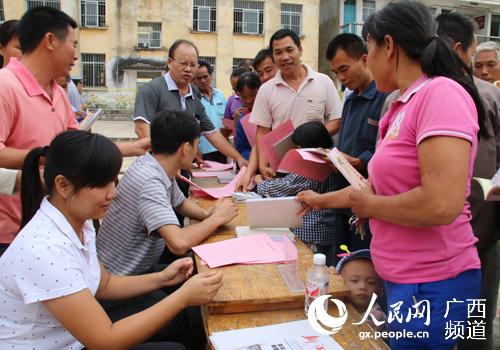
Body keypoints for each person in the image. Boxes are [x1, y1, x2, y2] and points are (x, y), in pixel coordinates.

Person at [297, 1, 486, 348]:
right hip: (403, 278)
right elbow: (373, 190)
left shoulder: (440, 94)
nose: (367, 60)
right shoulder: (400, 105)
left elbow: (441, 203)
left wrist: (367, 206)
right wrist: (318, 199)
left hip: (434, 280)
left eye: (367, 49)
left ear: (388, 45)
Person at [0, 130, 223, 350]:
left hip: (76, 338)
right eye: (101, 185)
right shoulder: (44, 250)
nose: (112, 193)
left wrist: (162, 278)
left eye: (112, 181)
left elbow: (103, 284)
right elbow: (105, 341)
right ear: (63, 185)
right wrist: (182, 298)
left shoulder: (78, 220)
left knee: (190, 320)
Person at [0, 6, 149, 257]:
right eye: (74, 44)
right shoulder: (6, 86)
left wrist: (133, 148)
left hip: (56, 221)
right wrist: (51, 157)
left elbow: (78, 144)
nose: (76, 55)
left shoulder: (57, 92)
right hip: (14, 229)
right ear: (50, 41)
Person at [97, 110, 237, 276]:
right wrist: (217, 218)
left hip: (137, 271)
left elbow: (180, 203)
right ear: (185, 148)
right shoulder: (150, 181)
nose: (196, 151)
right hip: (122, 281)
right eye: (197, 144)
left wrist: (208, 214)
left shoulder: (154, 165)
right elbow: (178, 244)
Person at [436, 12, 500, 350]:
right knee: (471, 321)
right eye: (476, 58)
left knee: (465, 322)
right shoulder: (482, 95)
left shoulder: (489, 95)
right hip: (470, 232)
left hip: (475, 233)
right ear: (460, 49)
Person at [240, 29, 343, 191]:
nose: (285, 57)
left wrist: (308, 140)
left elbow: (336, 121)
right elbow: (262, 131)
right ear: (273, 57)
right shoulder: (266, 90)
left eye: (289, 50)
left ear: (300, 50)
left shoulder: (323, 82)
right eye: (278, 52)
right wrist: (261, 163)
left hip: (317, 167)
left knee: (316, 214)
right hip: (280, 170)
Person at [132, 39, 246, 167]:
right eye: (183, 63)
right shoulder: (152, 90)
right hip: (156, 168)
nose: (188, 69)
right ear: (169, 62)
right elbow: (142, 129)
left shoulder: (194, 95)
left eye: (193, 65)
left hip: (182, 167)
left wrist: (238, 158)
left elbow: (212, 133)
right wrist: (165, 163)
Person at [326, 33, 389, 253]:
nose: (341, 77)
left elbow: (389, 151)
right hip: (344, 196)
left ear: (364, 59)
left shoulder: (386, 97)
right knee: (344, 259)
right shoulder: (350, 99)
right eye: (336, 73)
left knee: (365, 267)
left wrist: (360, 161)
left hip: (370, 199)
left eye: (344, 69)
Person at [254, 121, 337, 265]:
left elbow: (285, 187)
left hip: (311, 231)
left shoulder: (312, 163)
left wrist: (260, 183)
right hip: (326, 228)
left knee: (306, 268)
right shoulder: (331, 156)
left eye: (297, 147)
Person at [334, 249, 386, 331]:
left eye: (371, 283)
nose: (363, 286)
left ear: (380, 291)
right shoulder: (340, 304)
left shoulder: (375, 317)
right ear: (339, 284)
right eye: (354, 281)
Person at [193, 59, 227, 163]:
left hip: (222, 148)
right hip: (203, 150)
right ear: (194, 80)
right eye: (199, 78)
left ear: (211, 76)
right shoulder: (193, 98)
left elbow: (226, 120)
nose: (203, 80)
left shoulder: (220, 94)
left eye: (205, 76)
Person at [234, 72, 261, 160]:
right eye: (243, 97)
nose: (248, 101)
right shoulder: (242, 120)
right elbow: (242, 149)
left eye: (252, 95)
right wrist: (252, 157)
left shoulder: (272, 112)